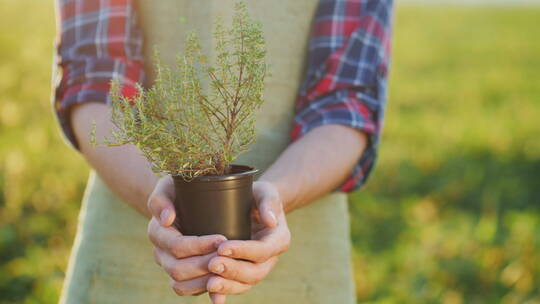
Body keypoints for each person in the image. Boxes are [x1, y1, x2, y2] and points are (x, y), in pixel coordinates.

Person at [53, 0, 393, 303]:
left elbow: (345, 105)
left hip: (304, 270)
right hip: (124, 263)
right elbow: (96, 85)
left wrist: (273, 200)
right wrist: (164, 203)